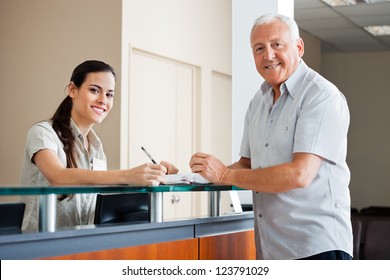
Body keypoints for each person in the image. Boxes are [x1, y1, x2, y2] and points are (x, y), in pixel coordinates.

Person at [190, 14, 353, 260]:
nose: (268, 55)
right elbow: (246, 165)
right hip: (272, 250)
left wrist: (224, 175)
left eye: (277, 44)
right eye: (259, 48)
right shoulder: (258, 101)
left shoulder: (321, 96)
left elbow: (300, 174)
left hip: (317, 248)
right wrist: (198, 175)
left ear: (298, 47)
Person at [20, 60, 178, 232]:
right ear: (72, 90)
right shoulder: (42, 132)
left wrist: (153, 175)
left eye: (110, 94)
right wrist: (128, 175)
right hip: (40, 246)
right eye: (94, 90)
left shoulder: (96, 148)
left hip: (83, 244)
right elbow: (58, 177)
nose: (103, 100)